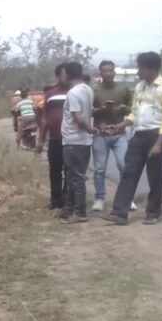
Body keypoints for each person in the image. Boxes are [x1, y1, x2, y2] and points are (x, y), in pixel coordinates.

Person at [103, 51, 162, 225]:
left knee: (155, 176)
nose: (138, 72)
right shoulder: (140, 87)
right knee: (129, 172)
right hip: (139, 135)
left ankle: (153, 213)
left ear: (151, 69)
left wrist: (158, 143)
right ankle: (119, 213)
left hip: (156, 135)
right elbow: (134, 113)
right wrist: (121, 125)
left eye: (141, 68)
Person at [91, 60, 133, 211]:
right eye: (105, 71)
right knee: (99, 169)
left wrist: (123, 109)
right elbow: (88, 111)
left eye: (110, 71)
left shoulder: (123, 89)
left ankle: (127, 198)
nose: (108, 73)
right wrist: (99, 110)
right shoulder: (94, 90)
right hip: (100, 133)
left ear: (114, 72)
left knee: (124, 165)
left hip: (119, 133)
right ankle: (99, 198)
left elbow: (132, 109)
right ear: (100, 73)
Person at [59, 61, 96, 223]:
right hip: (84, 142)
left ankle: (80, 213)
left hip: (74, 140)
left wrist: (89, 129)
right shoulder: (88, 89)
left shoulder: (73, 93)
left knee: (76, 178)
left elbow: (78, 118)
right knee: (73, 176)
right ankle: (69, 208)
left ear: (67, 74)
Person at [36, 64, 67, 209]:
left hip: (70, 140)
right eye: (63, 74)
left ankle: (68, 199)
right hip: (54, 139)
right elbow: (43, 119)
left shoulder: (74, 93)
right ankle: (55, 201)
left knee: (69, 172)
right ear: (57, 76)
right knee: (54, 171)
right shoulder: (50, 95)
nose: (66, 77)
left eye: (68, 75)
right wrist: (41, 140)